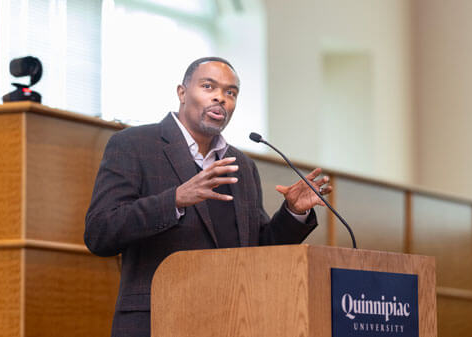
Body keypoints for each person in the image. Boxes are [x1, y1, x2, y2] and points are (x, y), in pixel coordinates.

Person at [84, 57, 331, 337]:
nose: (220, 98)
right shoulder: (133, 145)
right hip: (157, 320)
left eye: (231, 92)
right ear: (182, 92)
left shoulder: (241, 165)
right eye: (208, 86)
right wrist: (175, 199)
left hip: (231, 321)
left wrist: (293, 213)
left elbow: (259, 251)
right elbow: (99, 232)